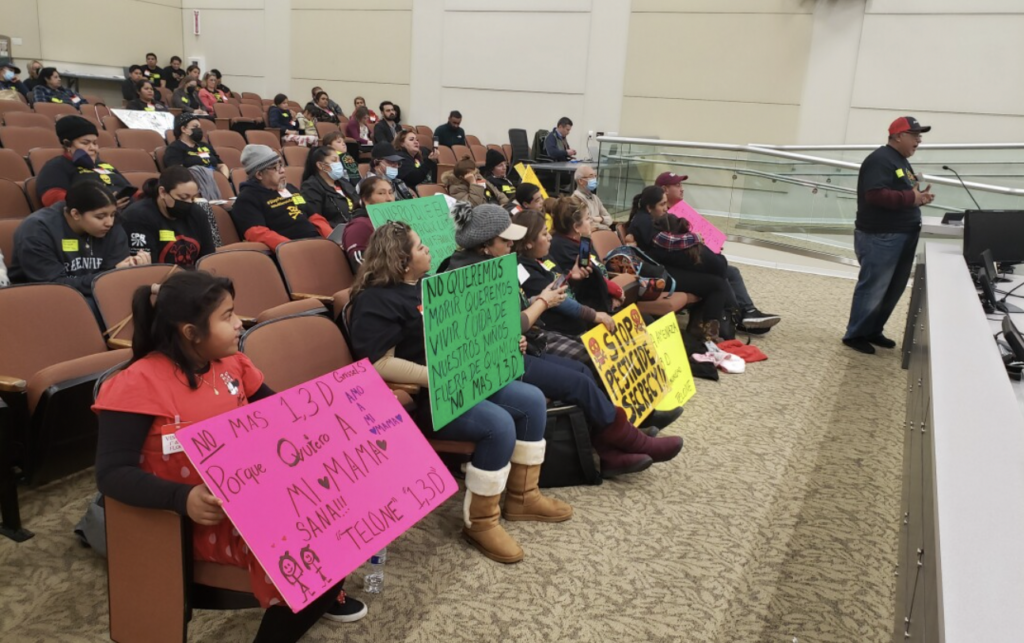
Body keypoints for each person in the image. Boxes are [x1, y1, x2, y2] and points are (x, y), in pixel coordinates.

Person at [93, 270, 367, 641]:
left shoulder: (233, 364)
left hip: (254, 494)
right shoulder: (136, 384)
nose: (240, 324)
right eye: (227, 317)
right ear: (191, 333)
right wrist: (183, 499)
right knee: (310, 547)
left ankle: (325, 591)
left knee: (345, 504)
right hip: (184, 518)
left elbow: (282, 415)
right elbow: (110, 474)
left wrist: (342, 420)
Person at [345, 221, 571, 563]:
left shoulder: (428, 286)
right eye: (419, 247)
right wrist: (440, 377)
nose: (427, 250)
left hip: (466, 377)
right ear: (402, 261)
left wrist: (507, 342)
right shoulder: (375, 301)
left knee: (532, 400)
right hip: (426, 396)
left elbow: (468, 333)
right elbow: (377, 364)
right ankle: (480, 522)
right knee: (499, 425)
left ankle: (523, 496)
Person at [457, 205, 684, 464]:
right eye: (504, 238)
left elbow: (513, 313)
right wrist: (542, 302)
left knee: (583, 373)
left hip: (519, 348)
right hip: (499, 363)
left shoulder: (492, 265)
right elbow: (511, 323)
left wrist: (561, 285)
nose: (511, 242)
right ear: (485, 244)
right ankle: (627, 440)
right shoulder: (470, 275)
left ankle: (608, 447)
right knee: (582, 379)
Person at [843, 116, 933, 355]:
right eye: (915, 135)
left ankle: (873, 329)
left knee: (893, 287)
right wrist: (910, 199)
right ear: (898, 136)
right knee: (874, 287)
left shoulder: (900, 161)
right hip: (881, 236)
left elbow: (903, 194)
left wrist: (918, 198)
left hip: (902, 233)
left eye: (920, 136)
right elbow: (875, 195)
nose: (919, 140)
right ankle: (856, 334)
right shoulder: (879, 160)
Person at [655, 171, 781, 333]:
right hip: (679, 263)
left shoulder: (680, 210)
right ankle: (740, 315)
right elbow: (671, 245)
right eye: (677, 185)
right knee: (721, 272)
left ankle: (747, 312)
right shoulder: (661, 215)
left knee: (730, 271)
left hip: (690, 257)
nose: (682, 189)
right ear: (665, 189)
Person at [9, 181, 148, 302]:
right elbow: (54, 286)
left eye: (112, 214)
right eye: (100, 217)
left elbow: (114, 274)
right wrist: (113, 275)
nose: (109, 223)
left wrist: (132, 270)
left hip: (96, 293)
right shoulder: (36, 231)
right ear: (75, 214)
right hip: (41, 299)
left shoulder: (112, 226)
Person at [628, 185, 733, 340]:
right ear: (650, 208)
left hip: (664, 268)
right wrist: (694, 238)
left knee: (717, 277)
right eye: (662, 205)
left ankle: (705, 326)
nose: (666, 209)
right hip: (659, 276)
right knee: (717, 283)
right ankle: (708, 330)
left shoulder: (646, 218)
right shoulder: (643, 221)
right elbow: (666, 242)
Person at [230, 145, 332, 249]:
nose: (282, 170)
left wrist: (332, 238)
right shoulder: (247, 199)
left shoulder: (290, 188)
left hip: (317, 242)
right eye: (275, 168)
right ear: (259, 174)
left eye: (281, 165)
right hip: (292, 250)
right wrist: (292, 248)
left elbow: (313, 216)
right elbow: (258, 234)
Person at [121, 167, 215, 267]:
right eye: (183, 197)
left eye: (192, 198)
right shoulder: (138, 216)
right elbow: (147, 266)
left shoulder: (197, 212)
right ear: (162, 192)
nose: (189, 203)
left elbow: (208, 257)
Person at [37, 116, 133, 208]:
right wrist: (103, 205)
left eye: (95, 143)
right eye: (85, 143)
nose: (93, 148)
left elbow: (133, 191)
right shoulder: (56, 166)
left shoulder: (104, 165)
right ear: (67, 144)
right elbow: (54, 200)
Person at [341, 176, 393, 271]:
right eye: (381, 193)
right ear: (366, 199)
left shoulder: (396, 222)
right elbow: (361, 264)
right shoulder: (359, 226)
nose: (389, 198)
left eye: (390, 193)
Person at [300, 146, 359, 227]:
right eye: (334, 160)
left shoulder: (343, 182)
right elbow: (316, 219)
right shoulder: (311, 187)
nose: (339, 164)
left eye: (339, 160)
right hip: (334, 232)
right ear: (321, 165)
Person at [163, 113, 229, 178]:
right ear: (183, 129)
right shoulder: (174, 148)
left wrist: (223, 179)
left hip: (215, 180)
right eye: (195, 127)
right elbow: (179, 173)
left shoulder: (205, 146)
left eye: (199, 127)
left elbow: (222, 165)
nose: (199, 130)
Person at [442, 158, 507, 207]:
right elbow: (474, 205)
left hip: (497, 207)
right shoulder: (456, 188)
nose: (475, 176)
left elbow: (497, 193)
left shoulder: (478, 176)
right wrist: (473, 183)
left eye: (475, 172)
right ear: (462, 177)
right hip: (485, 214)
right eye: (472, 174)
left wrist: (505, 204)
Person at [571, 164, 612, 231]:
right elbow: (589, 224)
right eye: (591, 176)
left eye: (595, 176)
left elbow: (610, 219)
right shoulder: (575, 199)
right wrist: (605, 226)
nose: (594, 179)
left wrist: (599, 219)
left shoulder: (595, 198)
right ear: (580, 181)